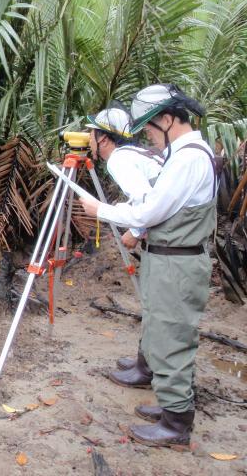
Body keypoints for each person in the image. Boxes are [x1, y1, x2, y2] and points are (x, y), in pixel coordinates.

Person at [80, 84, 217, 448]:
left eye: (152, 130)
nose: (149, 139)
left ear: (169, 120)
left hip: (178, 263)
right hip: (170, 258)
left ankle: (176, 423)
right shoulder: (186, 153)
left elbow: (150, 210)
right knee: (160, 330)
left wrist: (101, 210)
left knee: (171, 339)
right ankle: (172, 407)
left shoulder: (189, 157)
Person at [86, 107, 163, 388]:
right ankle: (146, 362)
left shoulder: (119, 160)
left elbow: (147, 200)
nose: (89, 139)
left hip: (166, 236)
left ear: (104, 139)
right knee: (155, 303)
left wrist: (135, 230)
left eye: (92, 134)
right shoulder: (135, 154)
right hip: (168, 231)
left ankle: (147, 369)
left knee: (156, 304)